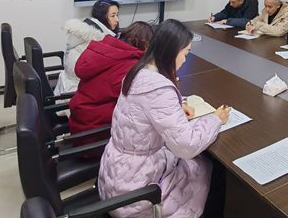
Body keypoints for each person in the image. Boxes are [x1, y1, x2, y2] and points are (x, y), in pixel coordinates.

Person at [98, 19, 232, 218]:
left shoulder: (136, 72)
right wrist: (215, 120)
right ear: (173, 51)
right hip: (139, 194)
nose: (185, 59)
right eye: (186, 53)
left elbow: (144, 108)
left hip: (116, 177)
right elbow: (186, 146)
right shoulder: (159, 89)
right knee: (209, 168)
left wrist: (176, 106)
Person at [69, 21, 155, 135]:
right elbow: (142, 100)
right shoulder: (128, 66)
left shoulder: (106, 51)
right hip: (94, 131)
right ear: (146, 44)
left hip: (79, 121)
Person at [55, 0, 120, 94]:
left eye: (117, 15)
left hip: (69, 87)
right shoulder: (94, 42)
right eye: (113, 16)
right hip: (78, 91)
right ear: (102, 17)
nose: (117, 19)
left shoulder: (83, 34)